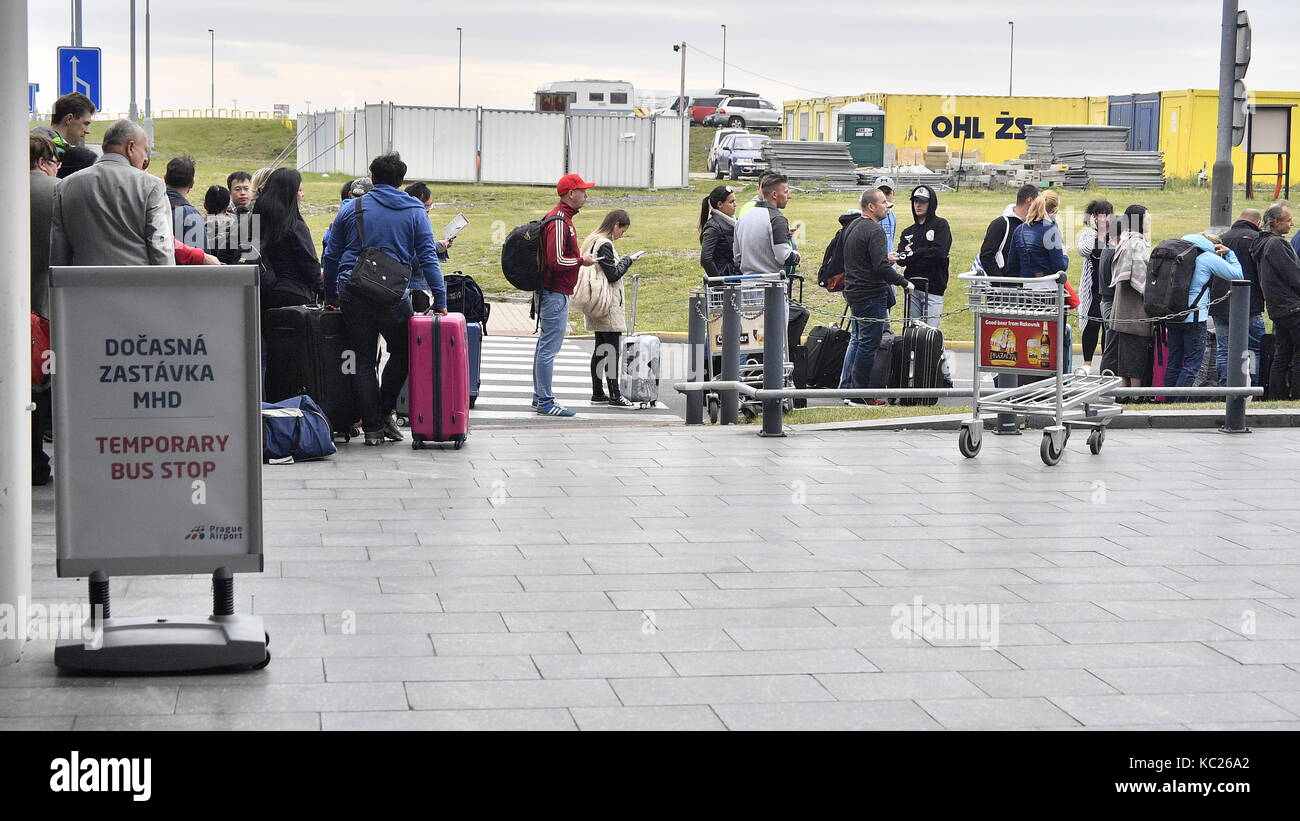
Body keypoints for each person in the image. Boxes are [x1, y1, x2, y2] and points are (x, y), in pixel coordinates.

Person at [323, 152, 446, 444]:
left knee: (362, 359)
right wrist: (440, 299)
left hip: (352, 290)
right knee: (404, 351)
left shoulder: (352, 208)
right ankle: (384, 409)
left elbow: (331, 255)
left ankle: (374, 427)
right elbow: (428, 257)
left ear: (373, 178)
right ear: (401, 181)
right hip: (393, 294)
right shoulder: (415, 211)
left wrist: (331, 295)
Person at [50, 119, 174, 267]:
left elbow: (58, 253)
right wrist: (167, 288)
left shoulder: (64, 186)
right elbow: (161, 247)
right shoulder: (151, 186)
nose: (146, 158)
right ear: (131, 147)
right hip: (138, 287)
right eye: (144, 150)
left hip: (83, 288)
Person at [533, 173, 599, 417]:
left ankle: (539, 396)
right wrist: (583, 260)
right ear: (571, 194)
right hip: (555, 293)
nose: (586, 195)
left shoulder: (560, 218)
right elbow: (556, 259)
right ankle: (545, 401)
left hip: (553, 291)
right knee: (548, 348)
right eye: (583, 191)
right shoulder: (560, 220)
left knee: (544, 346)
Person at [840, 188, 913, 404]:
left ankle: (848, 390)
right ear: (871, 206)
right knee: (868, 344)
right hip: (870, 293)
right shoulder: (875, 231)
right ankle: (860, 396)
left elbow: (866, 259)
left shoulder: (852, 226)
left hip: (854, 291)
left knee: (858, 340)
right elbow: (880, 267)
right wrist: (904, 282)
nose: (887, 206)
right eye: (883, 202)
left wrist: (885, 258)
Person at [254, 168, 322, 380]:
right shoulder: (295, 226)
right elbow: (311, 268)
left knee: (266, 361)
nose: (302, 195)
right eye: (299, 190)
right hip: (294, 298)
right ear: (290, 193)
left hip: (264, 297)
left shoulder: (256, 220)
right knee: (292, 365)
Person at [1163, 231, 1243, 394]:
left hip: (1172, 314)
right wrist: (1230, 254)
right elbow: (1237, 275)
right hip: (1194, 317)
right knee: (1192, 364)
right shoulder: (1207, 257)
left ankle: (1167, 400)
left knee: (1173, 361)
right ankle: (1177, 403)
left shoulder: (1176, 253)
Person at [577, 209, 639, 408]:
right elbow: (613, 274)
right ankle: (614, 394)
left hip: (596, 303)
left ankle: (597, 392)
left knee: (600, 350)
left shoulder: (592, 240)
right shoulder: (605, 244)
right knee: (611, 350)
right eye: (623, 230)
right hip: (607, 305)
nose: (622, 235)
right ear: (616, 224)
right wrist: (628, 260)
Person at [1007, 188, 1072, 372]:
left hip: (1026, 291)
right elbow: (1059, 265)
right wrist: (1065, 255)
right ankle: (1054, 381)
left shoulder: (1019, 230)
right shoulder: (1051, 229)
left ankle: (1029, 377)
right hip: (1049, 292)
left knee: (1029, 337)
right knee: (1053, 340)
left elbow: (1012, 264)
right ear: (1054, 209)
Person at [29, 135, 60, 486]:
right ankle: (39, 464)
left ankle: (29, 459)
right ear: (43, 161)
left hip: (14, 302)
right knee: (46, 387)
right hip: (47, 304)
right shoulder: (58, 191)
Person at [1253, 201, 1300, 399]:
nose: (1292, 224)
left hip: (1277, 308)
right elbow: (1293, 275)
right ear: (1277, 222)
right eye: (1288, 221)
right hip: (1292, 307)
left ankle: (1276, 396)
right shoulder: (1276, 244)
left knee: (1282, 354)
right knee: (1296, 355)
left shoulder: (1261, 243)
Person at [1216, 209, 1266, 386]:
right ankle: (1251, 386)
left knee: (1224, 350)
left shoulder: (1222, 238)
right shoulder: (1257, 239)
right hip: (1249, 304)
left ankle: (1225, 388)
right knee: (1252, 350)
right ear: (1258, 222)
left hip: (1220, 305)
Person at [1109, 205, 1153, 392]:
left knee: (1125, 354)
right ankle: (1135, 395)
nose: (1150, 220)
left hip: (1123, 308)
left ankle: (1125, 393)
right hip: (1135, 309)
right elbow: (1140, 277)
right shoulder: (1137, 243)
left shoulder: (1125, 239)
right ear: (1139, 220)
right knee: (1136, 354)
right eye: (1147, 217)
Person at [897, 185, 951, 329]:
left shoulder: (941, 225)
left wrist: (914, 254)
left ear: (931, 203)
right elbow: (901, 259)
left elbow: (939, 254)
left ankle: (936, 352)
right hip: (912, 288)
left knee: (931, 333)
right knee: (913, 333)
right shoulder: (908, 232)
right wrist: (923, 252)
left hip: (934, 288)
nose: (918, 205)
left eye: (922, 201)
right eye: (915, 201)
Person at [734, 173, 799, 276]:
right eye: (786, 192)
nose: (789, 196)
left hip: (746, 284)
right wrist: (796, 255)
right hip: (771, 285)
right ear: (774, 195)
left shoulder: (743, 217)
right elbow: (784, 257)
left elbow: (737, 257)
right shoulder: (777, 219)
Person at [403, 182, 454, 314]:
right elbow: (419, 256)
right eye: (427, 205)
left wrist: (440, 247)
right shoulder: (415, 219)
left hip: (417, 283)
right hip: (414, 285)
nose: (429, 209)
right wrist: (438, 246)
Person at [1076, 199, 1114, 371]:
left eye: (1107, 214)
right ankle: (1087, 363)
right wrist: (1095, 232)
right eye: (1100, 215)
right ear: (1094, 217)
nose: (1104, 218)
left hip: (1109, 289)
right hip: (1092, 289)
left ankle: (1106, 362)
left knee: (1108, 326)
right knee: (1091, 324)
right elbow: (1084, 251)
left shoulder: (1115, 234)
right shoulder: (1087, 235)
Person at [977, 184, 1038, 276]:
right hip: (1006, 285)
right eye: (1039, 202)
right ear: (1029, 201)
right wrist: (999, 282)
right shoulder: (1000, 224)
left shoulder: (1036, 224)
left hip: (1029, 285)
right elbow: (986, 256)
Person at [31, 92, 95, 156]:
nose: (88, 131)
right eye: (85, 124)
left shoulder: (40, 148)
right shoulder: (46, 153)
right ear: (69, 119)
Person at [164, 156, 207, 251]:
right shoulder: (190, 215)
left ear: (165, 178)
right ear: (192, 183)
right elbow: (201, 257)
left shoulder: (150, 204)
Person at [698, 185, 737, 277]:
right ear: (720, 204)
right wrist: (718, 282)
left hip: (734, 275)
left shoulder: (734, 222)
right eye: (731, 202)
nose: (735, 205)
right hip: (725, 279)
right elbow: (705, 259)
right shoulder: (713, 228)